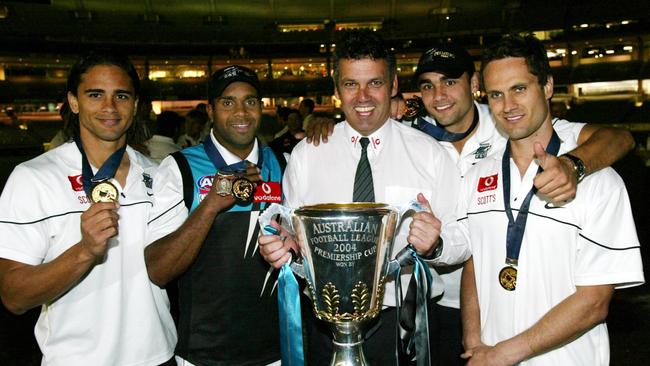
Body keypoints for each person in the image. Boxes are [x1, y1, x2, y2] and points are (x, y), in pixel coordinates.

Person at [406, 42, 635, 365]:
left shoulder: (598, 180)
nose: (508, 105)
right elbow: (476, 258)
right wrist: (474, 340)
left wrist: (503, 354)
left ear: (548, 86)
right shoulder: (477, 176)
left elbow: (595, 302)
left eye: (519, 89)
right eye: (496, 94)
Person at [259, 29, 468, 366]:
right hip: (324, 320)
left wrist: (437, 243)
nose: (363, 97)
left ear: (394, 85)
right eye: (351, 84)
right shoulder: (306, 155)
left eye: (375, 83)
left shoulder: (430, 155)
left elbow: (463, 235)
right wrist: (281, 246)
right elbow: (293, 235)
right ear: (337, 89)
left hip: (403, 318)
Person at [0, 52, 177, 365]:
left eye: (121, 96)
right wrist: (84, 251)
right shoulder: (34, 178)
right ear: (73, 101)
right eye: (95, 95)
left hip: (157, 356)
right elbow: (14, 296)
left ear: (135, 105)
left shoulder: (160, 175)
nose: (109, 107)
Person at [145, 65, 285, 366]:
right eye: (227, 102)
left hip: (277, 351)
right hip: (205, 354)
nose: (241, 112)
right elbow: (158, 269)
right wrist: (210, 205)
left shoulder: (285, 163)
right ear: (210, 110)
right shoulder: (180, 167)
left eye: (250, 101)